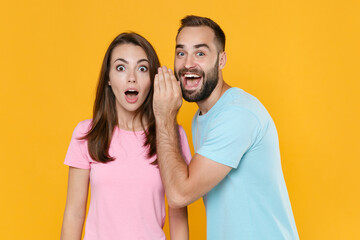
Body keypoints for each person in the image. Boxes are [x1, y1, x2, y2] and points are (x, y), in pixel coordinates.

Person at [153, 16, 299, 239]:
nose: (187, 63)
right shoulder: (201, 117)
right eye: (181, 53)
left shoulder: (238, 114)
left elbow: (179, 193)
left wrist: (164, 116)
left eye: (200, 53)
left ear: (221, 60)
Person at [60, 32, 191, 240]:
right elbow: (74, 214)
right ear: (109, 79)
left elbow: (178, 217)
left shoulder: (172, 136)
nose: (132, 77)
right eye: (121, 68)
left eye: (142, 68)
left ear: (153, 79)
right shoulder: (87, 133)